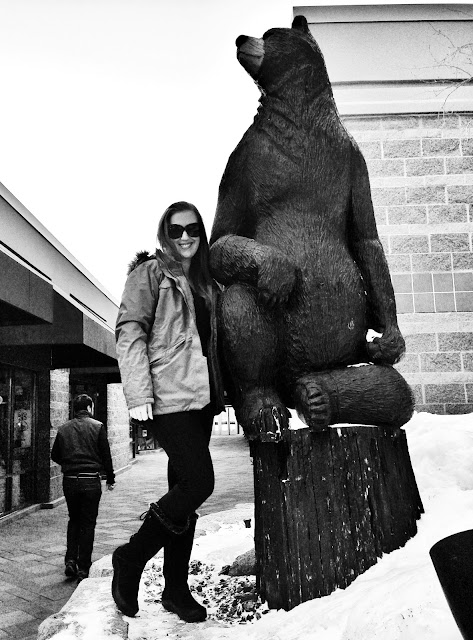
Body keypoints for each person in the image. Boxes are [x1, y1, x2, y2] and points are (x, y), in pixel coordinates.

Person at [112, 201, 224, 622]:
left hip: (203, 400)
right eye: (175, 230)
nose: (184, 237)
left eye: (192, 228)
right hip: (169, 398)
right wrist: (138, 391)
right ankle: (131, 557)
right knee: (199, 482)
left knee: (183, 493)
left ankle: (175, 589)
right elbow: (129, 330)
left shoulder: (207, 282)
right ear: (165, 233)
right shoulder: (151, 274)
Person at [51, 393, 115, 582]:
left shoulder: (63, 429)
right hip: (90, 480)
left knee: (74, 520)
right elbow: (106, 455)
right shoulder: (98, 427)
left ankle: (70, 560)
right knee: (88, 523)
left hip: (70, 480)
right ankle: (83, 566)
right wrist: (110, 477)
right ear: (89, 408)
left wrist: (69, 462)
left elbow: (55, 455)